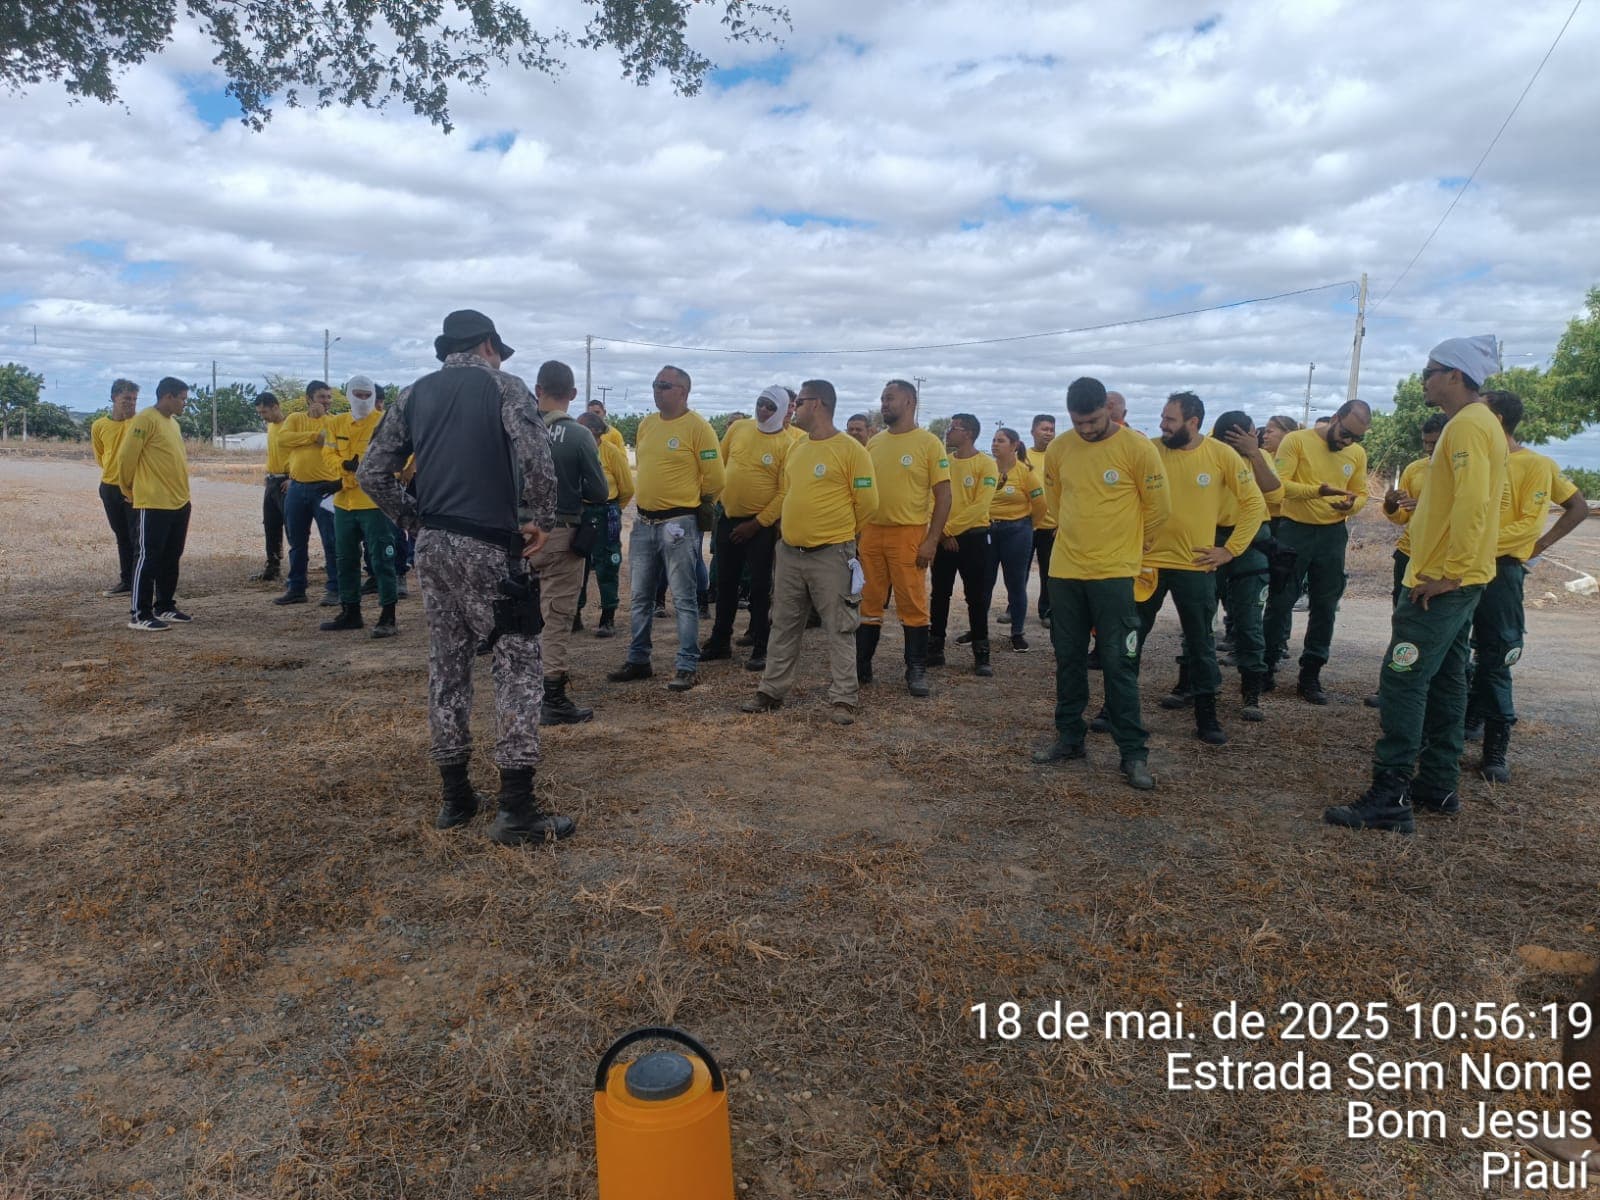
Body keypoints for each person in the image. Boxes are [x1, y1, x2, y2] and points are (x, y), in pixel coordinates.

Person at [358, 309, 574, 845]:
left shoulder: (413, 395)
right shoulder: (504, 387)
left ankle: (455, 798)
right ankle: (516, 809)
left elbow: (371, 472)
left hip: (433, 547)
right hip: (489, 545)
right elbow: (537, 458)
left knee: (447, 664)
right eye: (498, 351)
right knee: (518, 664)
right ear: (488, 346)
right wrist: (542, 519)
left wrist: (414, 518)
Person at [1324, 336, 1507, 834]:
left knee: (1402, 677)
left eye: (1430, 371)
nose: (1423, 379)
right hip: (1457, 576)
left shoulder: (1467, 425)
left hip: (1443, 580)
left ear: (1455, 375)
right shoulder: (1476, 423)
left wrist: (1451, 571)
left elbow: (1472, 501)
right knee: (1446, 679)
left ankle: (1391, 794)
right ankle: (1438, 784)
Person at [1033, 377, 1168, 790]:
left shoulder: (1137, 448)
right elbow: (1056, 501)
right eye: (1078, 422)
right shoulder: (1060, 448)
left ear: (1108, 410)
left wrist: (1129, 549)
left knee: (1118, 662)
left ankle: (1133, 753)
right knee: (1068, 658)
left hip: (1114, 574)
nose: (1086, 429)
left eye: (1093, 420)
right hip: (1066, 571)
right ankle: (1070, 738)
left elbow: (1158, 508)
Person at [1465, 389, 1589, 782]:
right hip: (1456, 567)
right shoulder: (1470, 459)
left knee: (1498, 654)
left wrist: (1539, 546)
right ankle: (1465, 721)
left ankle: (1495, 749)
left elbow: (1559, 513)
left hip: (1499, 571)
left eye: (1478, 409)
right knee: (1456, 653)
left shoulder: (1535, 465)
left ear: (1497, 419)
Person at [740, 379, 878, 723]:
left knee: (840, 627)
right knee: (783, 624)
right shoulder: (798, 448)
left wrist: (840, 534)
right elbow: (788, 493)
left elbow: (868, 504)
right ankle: (771, 691)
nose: (793, 408)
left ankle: (844, 698)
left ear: (817, 404)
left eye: (798, 402)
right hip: (790, 553)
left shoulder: (851, 451)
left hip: (831, 554)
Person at [1135, 393, 1266, 745]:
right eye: (1163, 418)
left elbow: (1254, 503)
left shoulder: (1220, 454)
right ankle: (1115, 707)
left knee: (1201, 642)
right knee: (1131, 637)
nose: (1162, 425)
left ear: (1193, 422)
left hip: (1194, 565)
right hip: (1147, 565)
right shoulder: (1149, 450)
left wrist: (1230, 550)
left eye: (1170, 420)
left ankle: (1207, 716)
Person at [608, 365, 724, 692]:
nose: (656, 390)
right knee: (640, 595)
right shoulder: (647, 424)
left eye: (663, 385)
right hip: (644, 522)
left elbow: (716, 478)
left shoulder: (698, 427)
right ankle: (638, 659)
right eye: (655, 384)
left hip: (679, 523)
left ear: (683, 391)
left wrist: (695, 507)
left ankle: (687, 664)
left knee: (684, 597)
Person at [1261, 398, 1371, 702]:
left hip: (1333, 535)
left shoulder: (1356, 454)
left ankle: (1310, 673)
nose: (1348, 442)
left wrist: (1351, 505)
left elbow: (1361, 493)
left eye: (1356, 438)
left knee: (1325, 605)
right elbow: (1280, 486)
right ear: (1335, 418)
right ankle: (1265, 666)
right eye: (1345, 433)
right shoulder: (1297, 441)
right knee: (1280, 601)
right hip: (1294, 531)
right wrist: (1317, 492)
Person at [857, 378, 951, 696]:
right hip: (872, 533)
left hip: (908, 534)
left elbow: (944, 496)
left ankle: (916, 669)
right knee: (868, 600)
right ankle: (861, 665)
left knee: (912, 602)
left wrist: (931, 540)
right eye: (883, 398)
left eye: (890, 398)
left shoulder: (929, 443)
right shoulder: (875, 443)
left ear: (909, 402)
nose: (884, 404)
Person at [528, 360, 609, 724]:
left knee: (517, 615)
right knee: (557, 617)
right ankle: (553, 697)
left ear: (538, 390)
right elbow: (599, 491)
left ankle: (519, 689)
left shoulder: (514, 429)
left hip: (516, 533)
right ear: (573, 394)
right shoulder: (578, 435)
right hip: (559, 531)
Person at [702, 386, 793, 671]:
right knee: (725, 584)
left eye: (770, 406)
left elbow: (784, 492)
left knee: (760, 587)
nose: (763, 410)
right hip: (728, 519)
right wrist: (716, 501)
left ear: (781, 410)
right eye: (760, 403)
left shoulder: (788, 444)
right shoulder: (739, 428)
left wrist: (757, 524)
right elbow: (719, 464)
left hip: (760, 527)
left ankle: (761, 646)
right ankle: (720, 641)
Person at [1214, 412, 1285, 721]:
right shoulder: (1209, 456)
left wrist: (1254, 454)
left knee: (1250, 620)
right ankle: (1192, 682)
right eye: (1252, 433)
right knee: (1200, 614)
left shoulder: (1260, 457)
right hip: (1212, 539)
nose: (1256, 437)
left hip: (1253, 543)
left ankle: (1251, 690)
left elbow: (1275, 492)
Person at [318, 375, 399, 638]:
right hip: (344, 503)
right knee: (345, 558)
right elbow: (328, 453)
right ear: (349, 394)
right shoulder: (337, 423)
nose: (363, 400)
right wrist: (343, 467)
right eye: (358, 395)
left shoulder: (385, 423)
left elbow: (397, 459)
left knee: (382, 558)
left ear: (374, 396)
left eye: (367, 395)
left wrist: (355, 473)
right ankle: (350, 611)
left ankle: (388, 616)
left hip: (375, 503)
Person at [117, 376, 193, 631]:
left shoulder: (173, 423)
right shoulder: (145, 419)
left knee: (171, 556)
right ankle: (140, 614)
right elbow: (126, 458)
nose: (184, 404)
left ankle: (165, 606)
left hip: (179, 502)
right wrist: (127, 489)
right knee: (147, 557)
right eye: (182, 399)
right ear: (168, 396)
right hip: (153, 502)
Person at [929, 413, 997, 676]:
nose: (948, 431)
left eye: (953, 427)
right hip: (943, 540)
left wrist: (948, 529)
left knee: (976, 598)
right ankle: (935, 649)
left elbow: (980, 505)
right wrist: (942, 535)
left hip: (973, 539)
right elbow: (931, 499)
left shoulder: (986, 465)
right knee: (939, 595)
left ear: (968, 433)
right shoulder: (944, 463)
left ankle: (982, 654)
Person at [274, 380, 343, 606]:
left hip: (326, 488)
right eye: (322, 397)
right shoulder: (295, 419)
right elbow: (283, 440)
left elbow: (333, 443)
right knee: (296, 540)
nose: (327, 401)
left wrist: (309, 436)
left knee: (331, 540)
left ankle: (335, 589)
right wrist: (313, 436)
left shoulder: (334, 421)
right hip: (297, 487)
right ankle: (296, 588)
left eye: (329, 397)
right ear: (309, 398)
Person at [986, 427, 1046, 653]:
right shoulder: (988, 469)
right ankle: (978, 630)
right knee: (984, 582)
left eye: (1000, 441)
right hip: (988, 530)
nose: (994, 444)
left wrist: (1030, 525)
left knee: (1016, 583)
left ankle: (1017, 633)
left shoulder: (1025, 473)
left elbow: (1040, 504)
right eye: (993, 440)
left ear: (1014, 446)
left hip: (1017, 531)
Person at [575, 409, 633, 637]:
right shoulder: (576, 449)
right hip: (580, 512)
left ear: (595, 431)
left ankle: (607, 617)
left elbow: (627, 488)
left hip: (605, 511)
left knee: (607, 564)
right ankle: (575, 614)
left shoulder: (611, 453)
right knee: (577, 563)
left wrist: (613, 511)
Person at [91, 379, 139, 596]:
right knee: (122, 535)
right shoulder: (99, 425)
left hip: (135, 488)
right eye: (126, 398)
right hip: (110, 487)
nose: (131, 403)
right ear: (113, 398)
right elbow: (100, 455)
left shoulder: (139, 424)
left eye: (134, 399)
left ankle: (141, 581)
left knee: (137, 536)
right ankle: (127, 581)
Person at [251, 391, 290, 583]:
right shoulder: (271, 427)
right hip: (272, 481)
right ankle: (272, 567)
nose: (262, 416)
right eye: (259, 413)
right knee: (271, 525)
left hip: (287, 482)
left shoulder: (290, 425)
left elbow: (302, 454)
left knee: (292, 527)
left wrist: (294, 479)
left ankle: (298, 571)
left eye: (264, 412)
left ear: (275, 407)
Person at [1029, 414, 1057, 627]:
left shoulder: (1058, 457)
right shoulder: (1023, 457)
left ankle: (1046, 610)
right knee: (1018, 571)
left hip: (1051, 526)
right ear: (1033, 431)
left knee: (1048, 573)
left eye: (1051, 430)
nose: (1048, 433)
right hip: (1026, 525)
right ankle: (1014, 608)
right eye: (1044, 429)